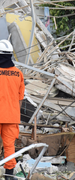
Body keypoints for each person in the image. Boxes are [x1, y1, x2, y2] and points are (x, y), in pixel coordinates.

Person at [0, 40, 25, 180]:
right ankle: (9, 175)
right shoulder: (18, 74)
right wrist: (15, 113)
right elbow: (20, 98)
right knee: (9, 146)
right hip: (11, 116)